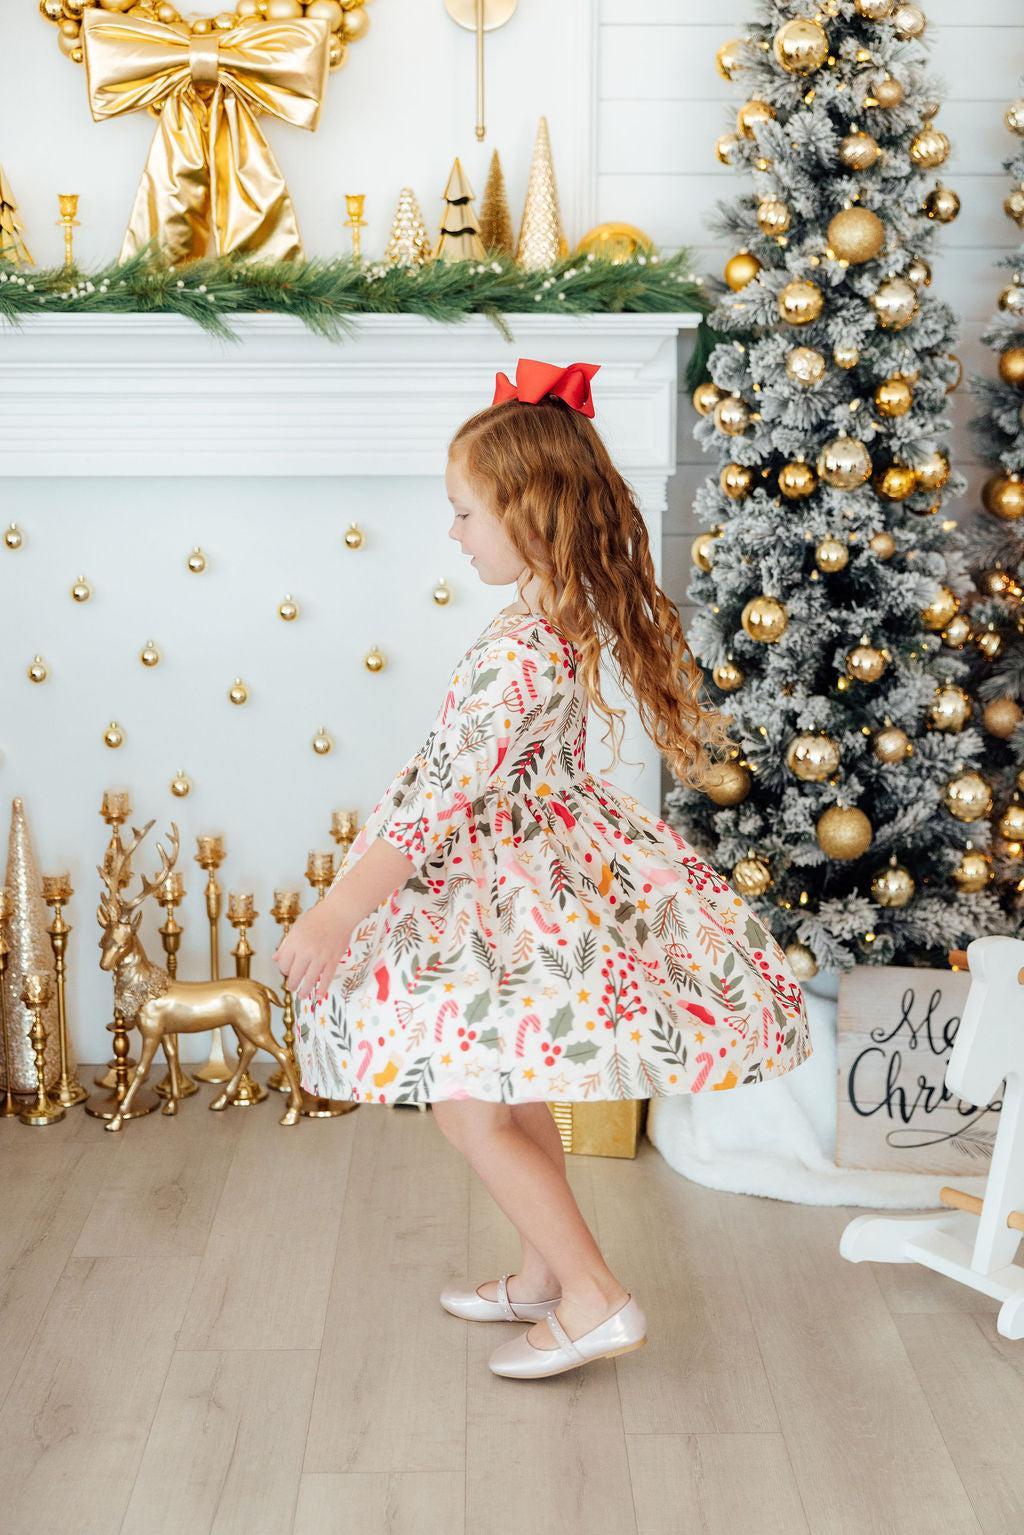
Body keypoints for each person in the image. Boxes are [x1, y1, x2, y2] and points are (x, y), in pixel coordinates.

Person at [274, 357, 813, 1380]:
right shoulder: (548, 617)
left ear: (530, 515)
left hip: (511, 888)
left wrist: (337, 912)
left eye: (464, 512)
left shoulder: (523, 649)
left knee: (465, 1103)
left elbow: (438, 797)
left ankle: (597, 1294)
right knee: (507, 1088)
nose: (452, 532)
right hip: (524, 872)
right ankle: (543, 1275)